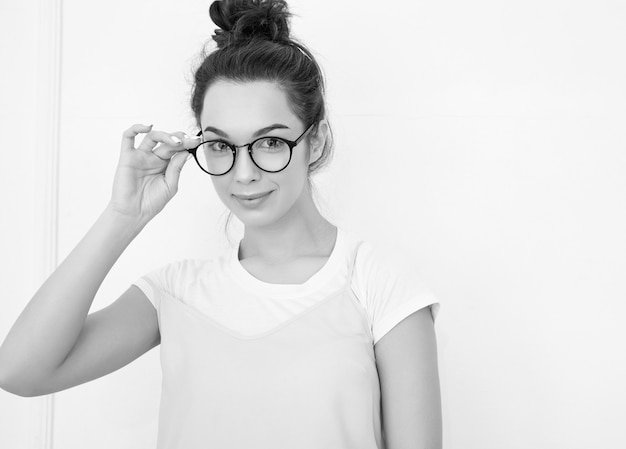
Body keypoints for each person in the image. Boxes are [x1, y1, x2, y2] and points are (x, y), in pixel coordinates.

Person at [0, 0, 442, 447]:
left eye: (270, 142)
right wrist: (123, 216)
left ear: (317, 140)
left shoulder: (379, 286)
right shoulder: (175, 293)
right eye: (221, 146)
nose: (244, 173)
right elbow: (20, 371)